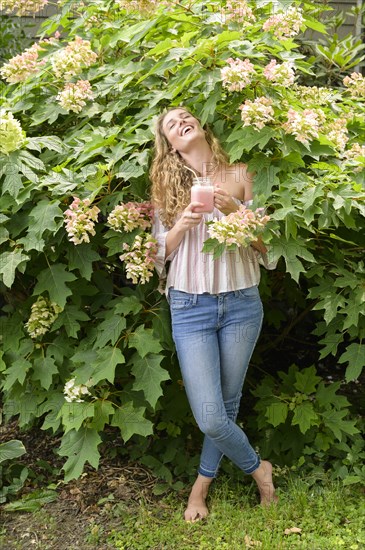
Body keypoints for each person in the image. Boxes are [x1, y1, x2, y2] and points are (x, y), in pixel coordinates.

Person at [150, 106, 278, 522]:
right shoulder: (166, 186)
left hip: (242, 302)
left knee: (225, 404)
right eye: (172, 124)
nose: (181, 121)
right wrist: (183, 224)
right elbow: (156, 256)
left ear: (200, 125)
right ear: (169, 143)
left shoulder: (241, 174)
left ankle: (199, 491)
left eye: (185, 116)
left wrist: (237, 213)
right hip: (189, 306)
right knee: (210, 415)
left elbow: (272, 251)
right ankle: (260, 470)